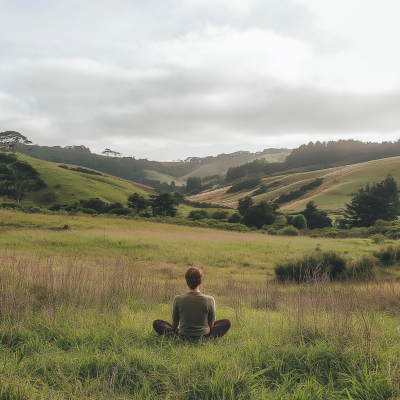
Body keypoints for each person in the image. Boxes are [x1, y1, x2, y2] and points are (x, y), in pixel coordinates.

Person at [153, 267, 231, 340]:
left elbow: (174, 326)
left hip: (182, 336)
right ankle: (205, 339)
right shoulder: (210, 299)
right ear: (200, 282)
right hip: (204, 336)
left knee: (157, 323)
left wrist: (180, 327)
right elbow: (211, 326)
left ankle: (178, 337)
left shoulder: (178, 299)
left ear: (187, 281)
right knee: (226, 322)